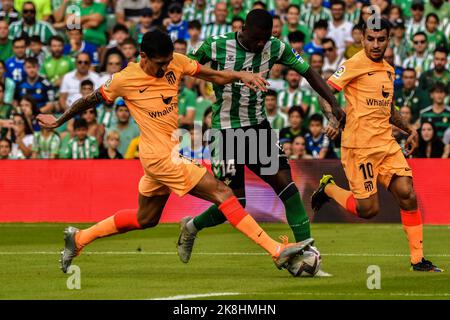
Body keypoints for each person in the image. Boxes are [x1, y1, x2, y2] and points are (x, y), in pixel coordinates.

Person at [38, 29, 310, 275]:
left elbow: (211, 74)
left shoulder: (176, 61)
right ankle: (276, 251)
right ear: (143, 56)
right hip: (161, 158)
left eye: (168, 61)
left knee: (145, 219)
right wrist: (60, 120)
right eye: (160, 63)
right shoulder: (124, 79)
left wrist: (241, 75)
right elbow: (90, 99)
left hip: (161, 157)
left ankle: (80, 238)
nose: (166, 67)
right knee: (224, 193)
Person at [183, 9, 344, 276]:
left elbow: (309, 73)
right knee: (235, 203)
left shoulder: (275, 47)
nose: (261, 45)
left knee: (289, 189)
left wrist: (334, 105)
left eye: (265, 39)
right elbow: (186, 66)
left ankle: (307, 255)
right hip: (225, 132)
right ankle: (191, 227)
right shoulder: (216, 45)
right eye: (257, 39)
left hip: (258, 128)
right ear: (243, 28)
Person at [311, 18, 441, 272]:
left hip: (386, 144)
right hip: (359, 148)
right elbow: (324, 93)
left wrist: (409, 129)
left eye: (381, 39)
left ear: (389, 40)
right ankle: (328, 189)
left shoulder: (389, 71)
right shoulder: (353, 65)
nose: (375, 44)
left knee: (407, 193)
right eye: (370, 38)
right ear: (362, 38)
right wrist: (333, 117)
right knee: (369, 210)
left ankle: (418, 260)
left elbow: (388, 108)